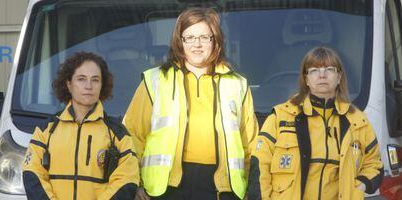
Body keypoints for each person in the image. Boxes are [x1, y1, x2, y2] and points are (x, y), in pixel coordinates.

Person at [123, 7, 258, 200]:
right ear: (180, 41)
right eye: (190, 37)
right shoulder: (156, 80)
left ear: (216, 41)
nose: (197, 44)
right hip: (166, 189)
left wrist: (251, 190)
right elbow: (132, 135)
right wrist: (134, 183)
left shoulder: (237, 84)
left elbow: (250, 143)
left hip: (222, 188)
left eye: (204, 37)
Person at [248, 46, 383, 200]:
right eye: (314, 70)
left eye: (329, 69)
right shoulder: (281, 117)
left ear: (339, 77)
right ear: (306, 79)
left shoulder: (358, 122)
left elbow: (375, 165)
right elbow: (259, 165)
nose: (322, 75)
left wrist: (360, 186)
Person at [22, 52, 139, 200]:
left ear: (102, 85)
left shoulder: (118, 133)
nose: (89, 86)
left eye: (95, 80)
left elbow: (127, 180)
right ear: (69, 84)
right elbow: (32, 172)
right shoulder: (45, 130)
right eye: (81, 79)